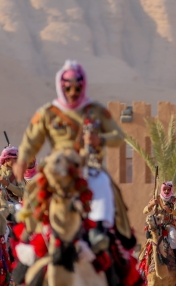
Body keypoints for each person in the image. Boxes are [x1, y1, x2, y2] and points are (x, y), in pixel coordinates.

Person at [13, 60, 128, 250]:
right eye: (68, 88)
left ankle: (100, 229)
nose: (73, 93)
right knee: (34, 186)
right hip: (57, 165)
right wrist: (23, 159)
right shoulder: (48, 113)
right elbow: (31, 140)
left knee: (103, 184)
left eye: (77, 88)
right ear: (61, 87)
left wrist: (100, 140)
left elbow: (119, 137)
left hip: (87, 164)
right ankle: (29, 235)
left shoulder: (96, 111)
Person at [143, 181, 176, 253]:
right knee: (150, 242)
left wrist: (170, 211)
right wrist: (151, 204)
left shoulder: (174, 200)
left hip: (169, 224)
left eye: (168, 189)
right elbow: (144, 211)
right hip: (156, 225)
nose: (166, 191)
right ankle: (147, 258)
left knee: (173, 237)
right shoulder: (156, 198)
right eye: (165, 189)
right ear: (162, 189)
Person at [0, 146, 25, 223]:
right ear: (7, 159)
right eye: (15, 158)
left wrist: (8, 184)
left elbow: (22, 192)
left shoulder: (18, 174)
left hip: (13, 204)